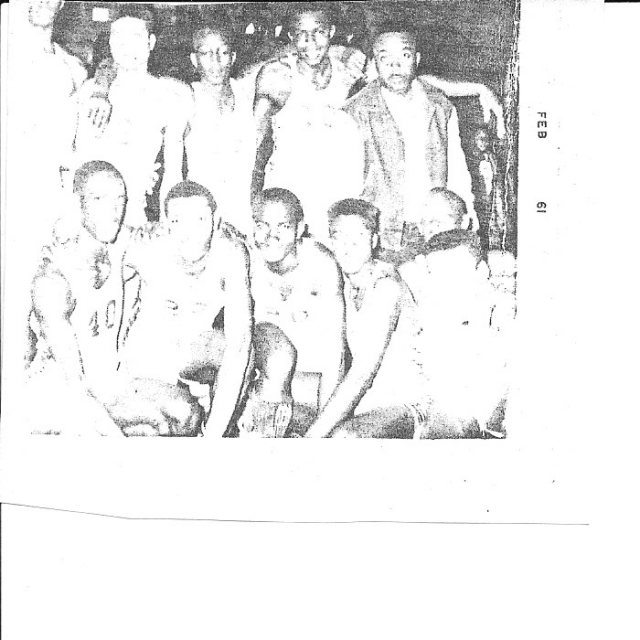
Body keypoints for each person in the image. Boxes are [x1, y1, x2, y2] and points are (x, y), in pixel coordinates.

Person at [252, 5, 501, 244]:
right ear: (291, 36)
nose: (311, 42)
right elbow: (255, 142)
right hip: (295, 194)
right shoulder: (280, 76)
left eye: (318, 32)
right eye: (301, 34)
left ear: (330, 32)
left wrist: (477, 89)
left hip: (404, 217)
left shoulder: (352, 73)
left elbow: (408, 77)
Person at [24, 161, 202, 436]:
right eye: (99, 199)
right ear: (76, 202)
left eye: (120, 199)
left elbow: (173, 238)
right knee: (155, 426)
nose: (114, 211)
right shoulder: (53, 280)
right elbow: (77, 388)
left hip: (110, 380)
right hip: (60, 392)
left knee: (187, 414)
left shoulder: (119, 243)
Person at [121, 181, 254, 438]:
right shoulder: (147, 247)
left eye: (200, 220)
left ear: (217, 222)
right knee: (175, 418)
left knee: (239, 354)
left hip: (191, 354)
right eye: (178, 221)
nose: (189, 232)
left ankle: (216, 430)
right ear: (165, 224)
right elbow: (97, 249)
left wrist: (213, 436)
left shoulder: (231, 253)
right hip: (148, 362)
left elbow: (240, 344)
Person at [343, 24, 479, 263]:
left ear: (416, 59)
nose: (395, 66)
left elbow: (457, 167)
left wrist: (466, 210)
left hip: (435, 229)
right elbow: (347, 181)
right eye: (385, 58)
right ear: (374, 63)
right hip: (383, 236)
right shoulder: (355, 111)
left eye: (404, 56)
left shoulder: (440, 106)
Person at [304, 199, 428, 439]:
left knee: (343, 436)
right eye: (340, 238)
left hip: (406, 404)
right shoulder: (341, 283)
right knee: (270, 400)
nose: (348, 247)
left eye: (357, 237)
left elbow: (362, 373)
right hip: (365, 401)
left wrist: (312, 439)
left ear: (373, 241)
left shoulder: (386, 286)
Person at [73, 6, 191, 227]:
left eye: (135, 36)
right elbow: (76, 162)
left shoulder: (169, 96)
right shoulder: (89, 92)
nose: (126, 45)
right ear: (109, 42)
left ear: (151, 42)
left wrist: (168, 227)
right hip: (88, 219)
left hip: (135, 216)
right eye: (118, 36)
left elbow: (173, 174)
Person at [249, 188, 346, 424]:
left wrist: (325, 427)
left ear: (299, 229)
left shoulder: (321, 265)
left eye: (282, 226)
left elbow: (336, 357)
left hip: (311, 391)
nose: (271, 236)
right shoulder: (246, 261)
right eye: (263, 225)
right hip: (262, 389)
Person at [401, 230, 510, 438]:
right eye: (438, 276)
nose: (445, 287)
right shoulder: (431, 310)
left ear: (481, 272)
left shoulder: (500, 317)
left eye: (454, 275)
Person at [185, 22, 257, 239]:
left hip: (248, 219)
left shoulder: (248, 92)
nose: (216, 61)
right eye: (206, 53)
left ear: (233, 57)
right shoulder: (185, 96)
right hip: (203, 221)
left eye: (223, 52)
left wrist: (343, 51)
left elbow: (286, 56)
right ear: (194, 59)